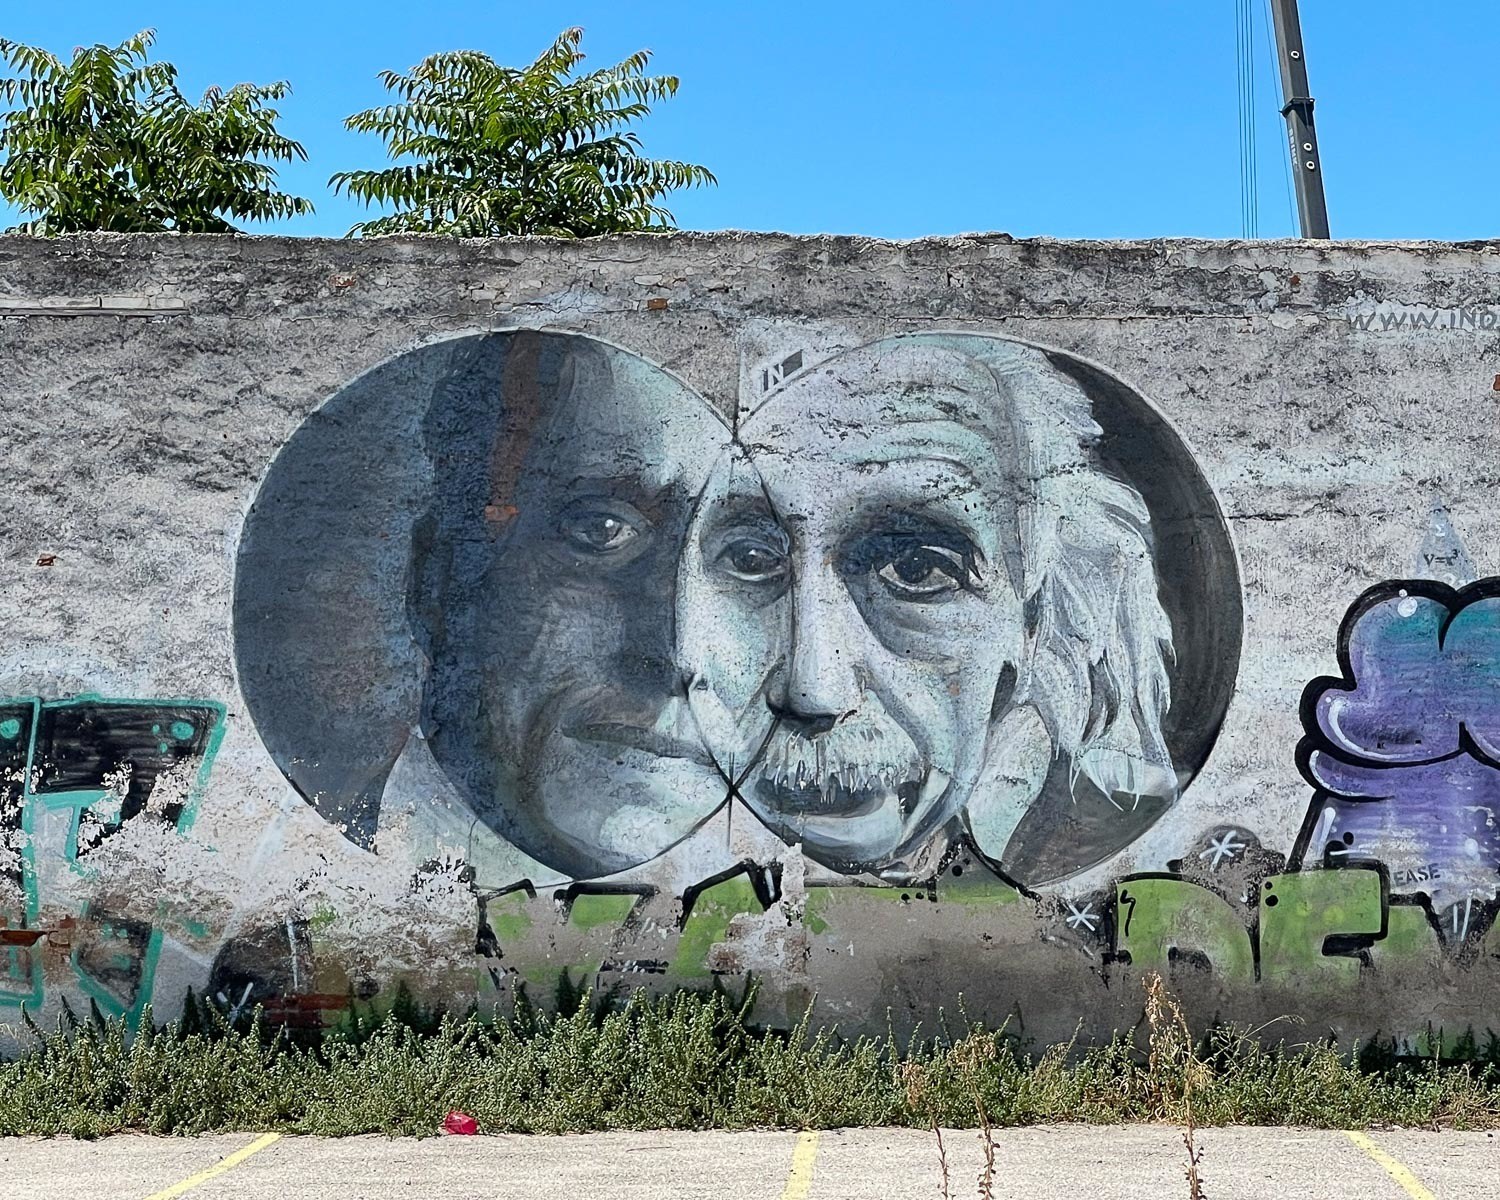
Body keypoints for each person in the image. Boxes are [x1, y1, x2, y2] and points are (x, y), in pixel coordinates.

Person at [675, 334, 1179, 881]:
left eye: (917, 570)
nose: (813, 690)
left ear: (1035, 624)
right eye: (750, 558)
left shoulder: (1108, 832)